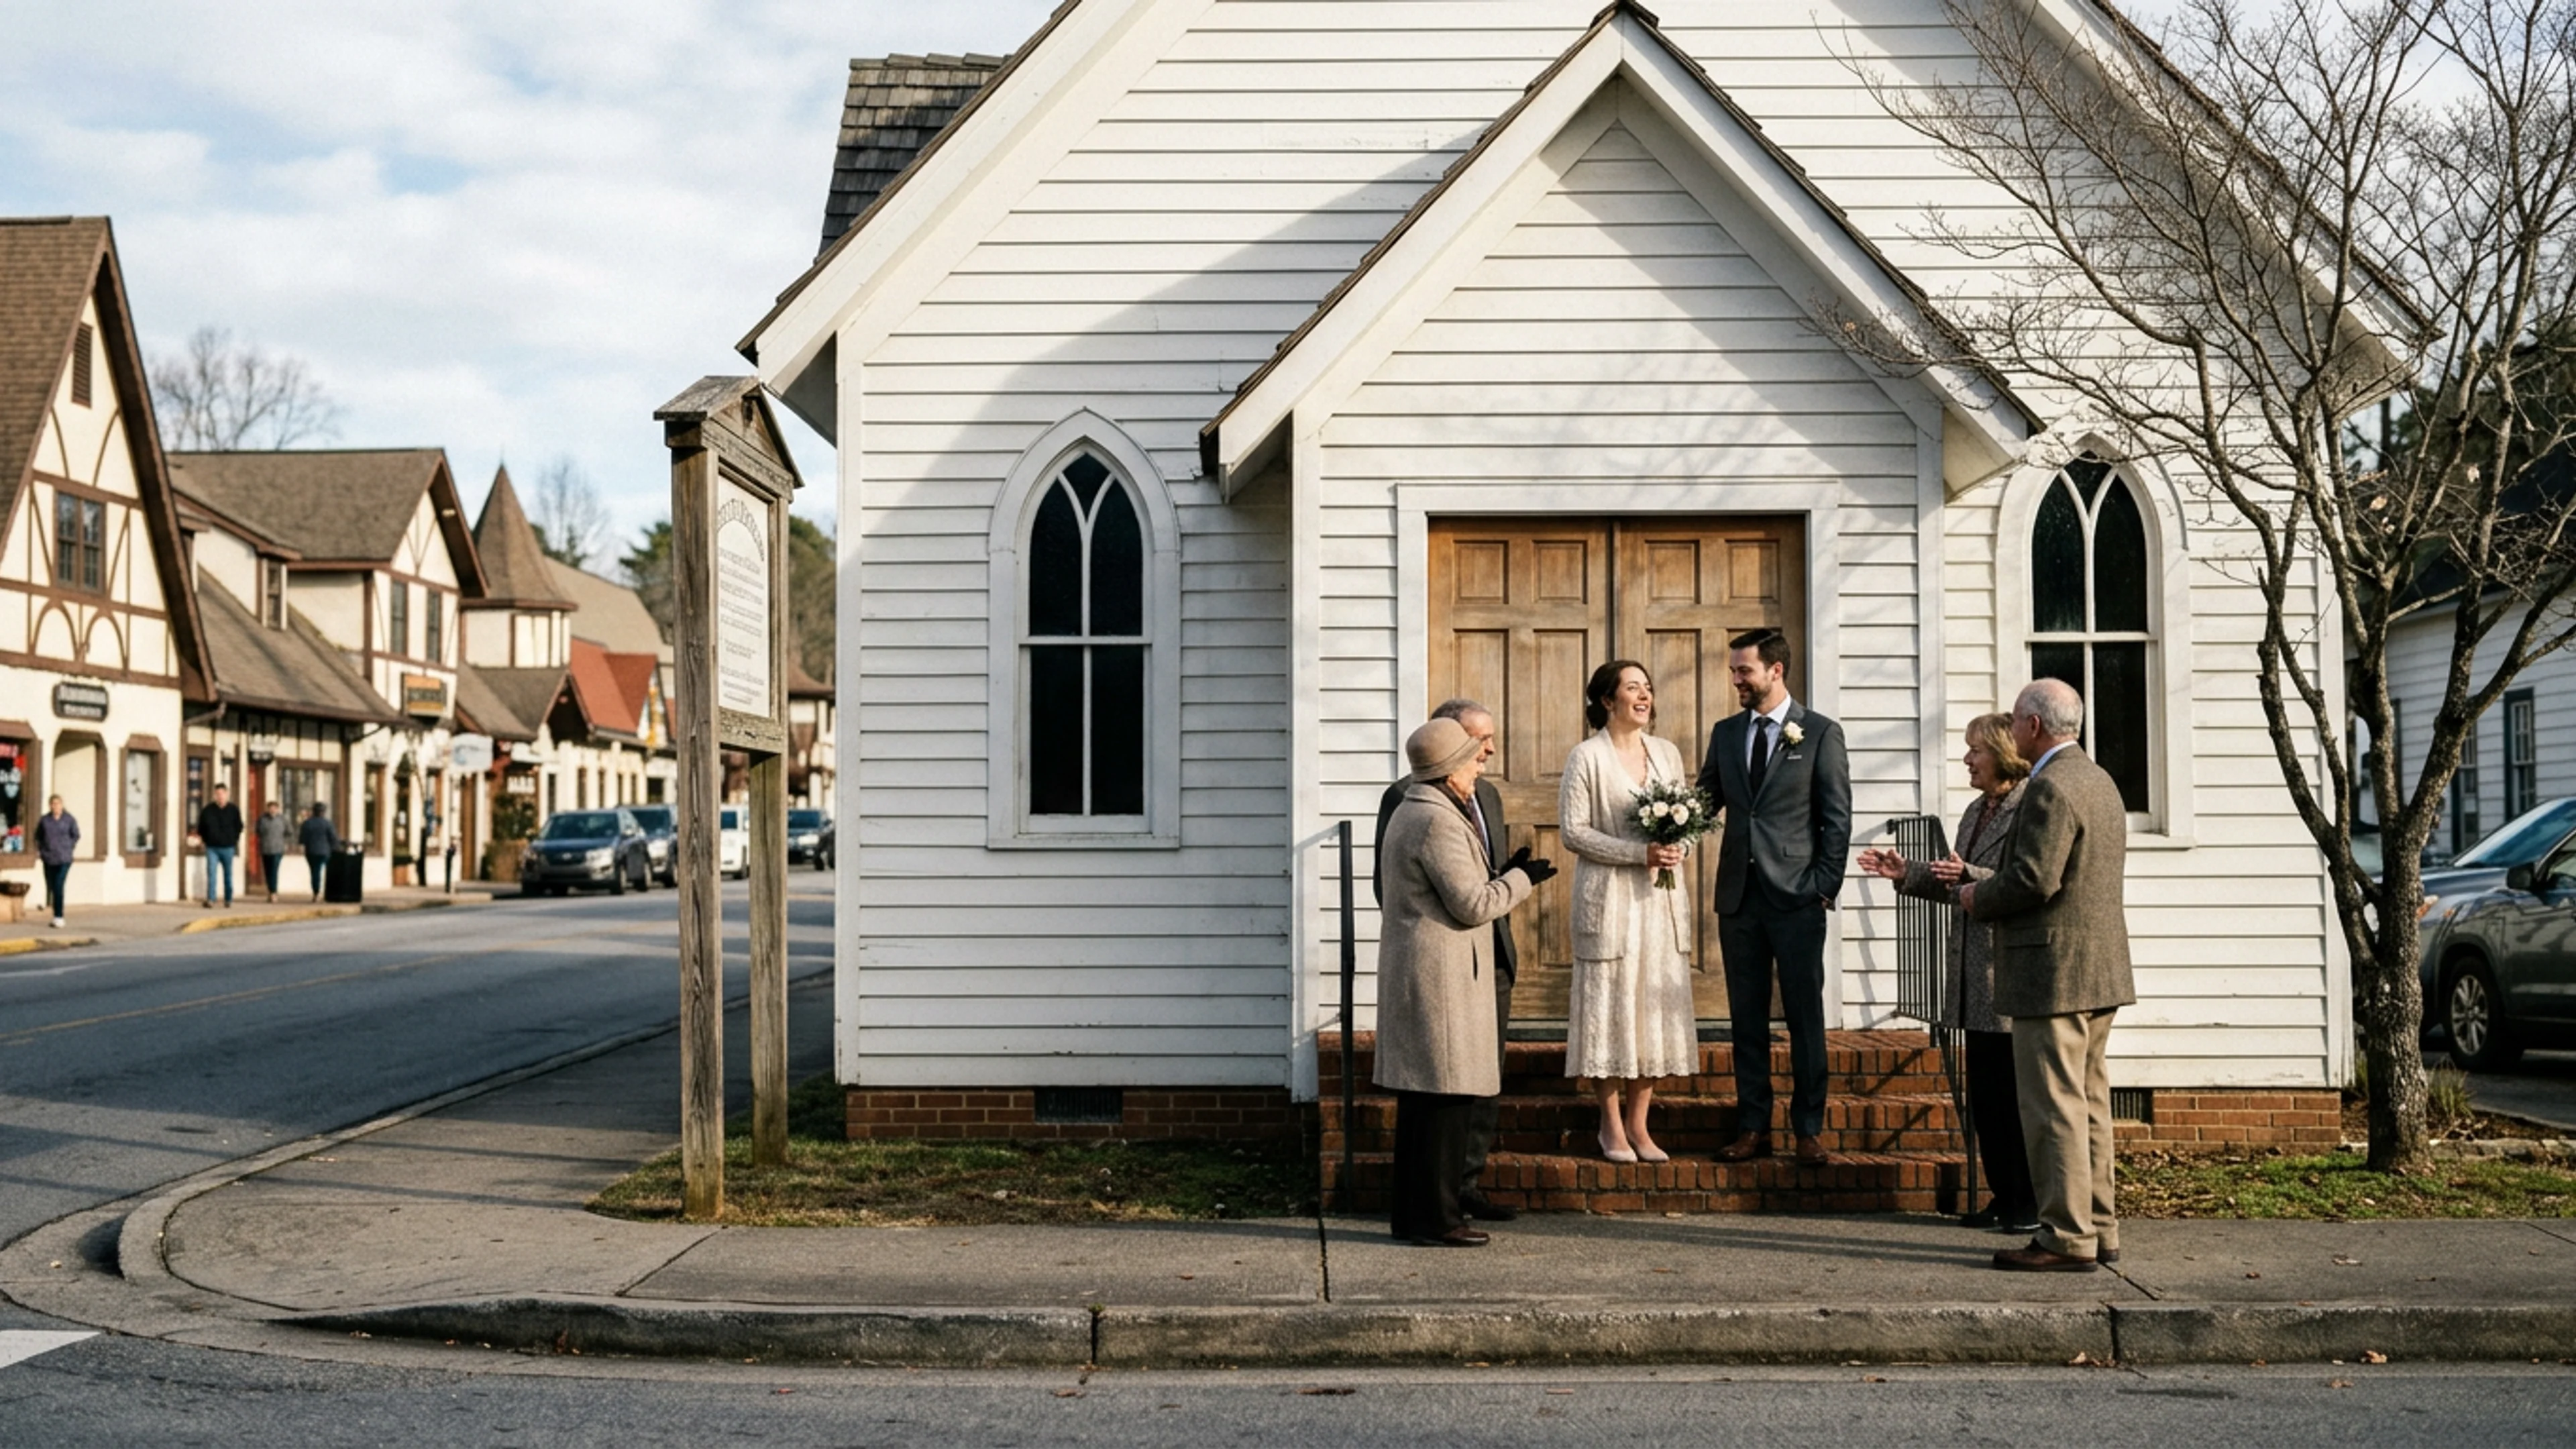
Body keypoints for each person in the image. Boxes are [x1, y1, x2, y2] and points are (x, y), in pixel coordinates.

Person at [1962, 680, 2136, 1272]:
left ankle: (2064, 1236)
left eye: (2014, 722)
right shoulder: (2100, 780)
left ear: (2035, 726)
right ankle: (2099, 1227)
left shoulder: (2051, 788)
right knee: (2088, 1104)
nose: (2011, 733)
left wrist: (1975, 895)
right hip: (2099, 967)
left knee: (2053, 1108)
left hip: (2051, 971)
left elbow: (2035, 879)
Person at [1375, 717, 1554, 1247]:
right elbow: (1473, 904)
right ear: (1450, 767)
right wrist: (1522, 880)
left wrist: (1503, 873)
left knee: (1427, 1107)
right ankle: (1437, 1220)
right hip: (1441, 981)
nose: (1482, 765)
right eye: (1475, 758)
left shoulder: (1423, 811)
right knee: (1443, 1106)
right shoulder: (1436, 821)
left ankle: (1414, 1217)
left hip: (1432, 976)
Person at [1857, 712, 2039, 1232]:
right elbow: (1954, 883)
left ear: (2003, 752)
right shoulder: (1974, 810)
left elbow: (2023, 882)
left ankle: (2027, 1204)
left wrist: (1971, 875)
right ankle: (2004, 1196)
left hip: (2004, 973)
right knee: (1986, 1101)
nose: (1967, 759)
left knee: (2012, 1099)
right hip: (1968, 978)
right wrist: (1908, 873)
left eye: (1975, 749)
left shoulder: (2031, 805)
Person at [1698, 628, 1851, 1168]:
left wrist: (1822, 889)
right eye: (1734, 670)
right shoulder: (1725, 732)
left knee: (1806, 1017)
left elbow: (1836, 820)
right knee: (1746, 1018)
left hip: (1797, 899)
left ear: (1775, 671)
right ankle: (1753, 1126)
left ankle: (1808, 1128)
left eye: (1744, 670)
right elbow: (1705, 801)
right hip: (1739, 899)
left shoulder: (1819, 733)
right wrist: (1662, 821)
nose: (1736, 679)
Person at [1559, 660, 1696, 1163]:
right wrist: (1636, 853)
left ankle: (1640, 1126)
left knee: (1652, 1012)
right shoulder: (1586, 757)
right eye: (1632, 688)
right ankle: (1611, 1126)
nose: (1644, 695)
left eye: (1648, 687)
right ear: (1606, 701)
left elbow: (1686, 820)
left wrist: (1678, 847)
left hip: (1660, 904)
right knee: (1610, 1011)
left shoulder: (1667, 753)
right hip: (1611, 902)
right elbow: (1573, 831)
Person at [194, 784, 244, 909]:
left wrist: (234, 839)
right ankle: (211, 899)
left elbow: (239, 826)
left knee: (228, 874)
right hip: (212, 847)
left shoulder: (233, 810)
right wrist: (205, 840)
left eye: (222, 794)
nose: (220, 797)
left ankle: (228, 899)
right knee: (211, 873)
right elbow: (201, 827)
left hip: (228, 847)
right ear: (214, 795)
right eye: (218, 794)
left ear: (227, 794)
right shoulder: (208, 810)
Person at [34, 794, 77, 929]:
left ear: (62, 805)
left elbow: (76, 835)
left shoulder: (69, 820)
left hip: (64, 858)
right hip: (49, 858)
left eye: (58, 804)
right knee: (52, 886)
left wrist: (68, 846)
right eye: (53, 804)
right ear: (50, 806)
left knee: (59, 885)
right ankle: (55, 913)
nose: (56, 806)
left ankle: (59, 916)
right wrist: (41, 850)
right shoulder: (45, 820)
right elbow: (38, 836)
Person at [255, 800, 294, 904]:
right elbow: (258, 831)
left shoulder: (282, 819)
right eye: (270, 808)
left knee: (274, 870)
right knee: (268, 872)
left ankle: (274, 892)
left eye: (274, 808)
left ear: (277, 809)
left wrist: (284, 842)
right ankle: (270, 891)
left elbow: (290, 832)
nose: (272, 810)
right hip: (266, 849)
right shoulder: (262, 819)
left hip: (278, 849)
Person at [299, 802, 339, 902]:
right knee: (328, 872)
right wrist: (336, 847)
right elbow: (333, 838)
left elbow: (302, 838)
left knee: (315, 872)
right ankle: (329, 892)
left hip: (312, 851)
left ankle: (316, 892)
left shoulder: (307, 823)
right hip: (325, 851)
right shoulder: (327, 823)